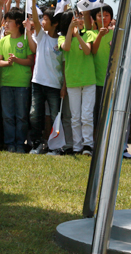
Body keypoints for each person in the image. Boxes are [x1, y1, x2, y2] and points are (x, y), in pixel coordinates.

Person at [26, 0, 63, 154]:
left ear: (55, 23)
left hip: (55, 85)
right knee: (35, 115)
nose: (42, 21)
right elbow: (34, 19)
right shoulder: (41, 36)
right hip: (38, 83)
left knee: (55, 117)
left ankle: (55, 146)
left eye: (46, 19)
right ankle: (36, 144)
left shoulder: (62, 40)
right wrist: (34, 1)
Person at [59, 10, 96, 156]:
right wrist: (70, 32)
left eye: (80, 18)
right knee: (75, 117)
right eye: (75, 19)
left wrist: (78, 36)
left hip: (88, 80)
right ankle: (77, 146)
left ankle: (88, 145)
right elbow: (66, 47)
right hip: (73, 81)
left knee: (86, 115)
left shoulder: (89, 34)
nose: (79, 20)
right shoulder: (62, 37)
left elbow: (87, 51)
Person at [0, 7, 34, 153]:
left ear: (18, 23)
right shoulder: (3, 41)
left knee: (22, 116)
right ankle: (10, 144)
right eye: (5, 22)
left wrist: (17, 60)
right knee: (7, 116)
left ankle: (20, 144)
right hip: (5, 83)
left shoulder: (25, 40)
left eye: (9, 22)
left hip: (22, 83)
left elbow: (30, 61)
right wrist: (8, 63)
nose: (5, 24)